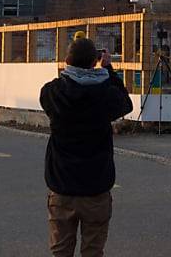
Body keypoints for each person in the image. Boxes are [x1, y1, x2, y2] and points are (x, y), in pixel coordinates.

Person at [40, 38, 134, 257]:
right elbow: (125, 102)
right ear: (95, 62)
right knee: (93, 251)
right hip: (96, 188)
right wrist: (108, 69)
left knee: (61, 251)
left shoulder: (52, 92)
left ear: (67, 62)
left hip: (61, 187)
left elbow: (57, 86)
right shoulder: (106, 95)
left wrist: (70, 71)